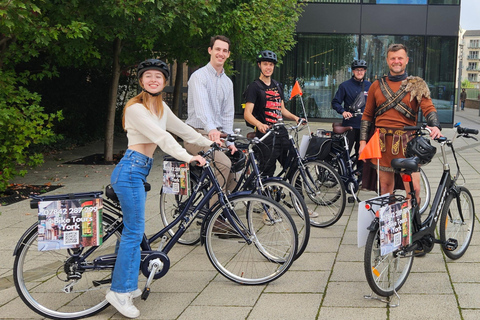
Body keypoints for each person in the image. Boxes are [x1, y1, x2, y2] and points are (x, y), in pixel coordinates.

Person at [106, 59, 213, 318]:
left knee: (131, 230)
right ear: (141, 81)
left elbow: (183, 130)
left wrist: (209, 144)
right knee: (134, 231)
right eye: (148, 76)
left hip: (138, 170)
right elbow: (163, 138)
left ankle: (126, 281)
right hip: (129, 170)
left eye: (158, 76)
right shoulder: (135, 108)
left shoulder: (160, 107)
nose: (153, 80)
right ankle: (119, 292)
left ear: (164, 82)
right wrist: (189, 157)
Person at [359, 43, 442, 202]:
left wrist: (435, 125)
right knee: (385, 188)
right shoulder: (377, 85)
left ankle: (412, 223)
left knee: (413, 190)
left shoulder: (417, 84)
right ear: (387, 60)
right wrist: (363, 142)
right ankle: (389, 224)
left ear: (406, 60)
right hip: (382, 143)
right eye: (393, 58)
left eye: (400, 58)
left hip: (408, 143)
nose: (396, 61)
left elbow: (428, 108)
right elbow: (367, 115)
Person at [244, 50, 318, 218]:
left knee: (295, 167)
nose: (268, 67)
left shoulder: (277, 85)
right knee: (267, 173)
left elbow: (281, 109)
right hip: (266, 136)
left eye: (271, 64)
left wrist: (295, 117)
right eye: (265, 64)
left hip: (281, 132)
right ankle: (266, 210)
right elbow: (248, 113)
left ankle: (300, 205)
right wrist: (259, 124)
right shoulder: (254, 87)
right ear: (259, 65)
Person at [184, 35, 238, 195]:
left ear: (228, 54)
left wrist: (230, 141)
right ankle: (214, 215)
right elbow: (202, 110)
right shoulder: (199, 76)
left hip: (215, 136)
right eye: (217, 49)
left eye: (225, 51)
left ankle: (225, 204)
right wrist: (212, 130)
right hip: (196, 134)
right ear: (210, 50)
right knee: (223, 164)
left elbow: (228, 116)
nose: (221, 53)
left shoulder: (228, 82)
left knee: (237, 163)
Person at [331, 59, 372, 172]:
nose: (360, 72)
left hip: (364, 125)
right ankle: (343, 175)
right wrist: (343, 111)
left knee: (362, 153)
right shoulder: (345, 86)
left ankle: (360, 176)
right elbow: (335, 102)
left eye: (362, 70)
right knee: (345, 152)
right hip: (350, 125)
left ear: (365, 71)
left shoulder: (370, 86)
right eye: (357, 70)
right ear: (353, 71)